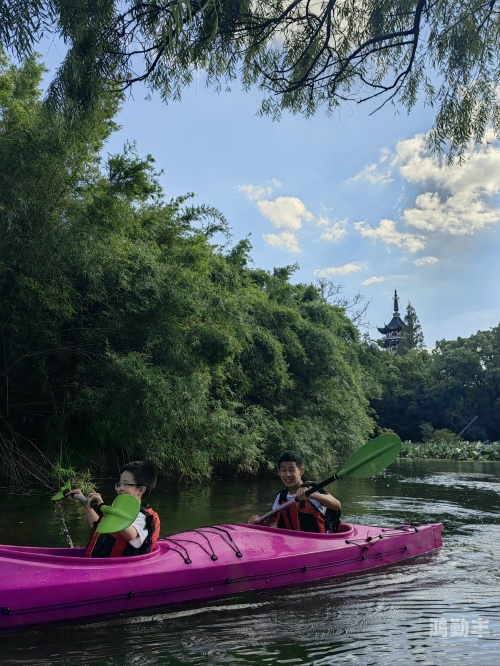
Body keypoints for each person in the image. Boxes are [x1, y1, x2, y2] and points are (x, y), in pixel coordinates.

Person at [67, 460, 161, 558]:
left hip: (122, 570)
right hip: (98, 566)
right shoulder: (116, 513)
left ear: (141, 490)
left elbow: (130, 535)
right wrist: (85, 504)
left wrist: (104, 508)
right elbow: (99, 529)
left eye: (125, 484)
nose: (119, 488)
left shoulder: (143, 518)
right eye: (119, 484)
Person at [248, 450, 341, 533]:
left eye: (292, 470)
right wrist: (258, 522)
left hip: (316, 543)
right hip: (290, 544)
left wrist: (312, 495)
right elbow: (272, 521)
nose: (287, 474)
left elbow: (337, 505)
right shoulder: (281, 496)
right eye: (283, 470)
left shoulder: (312, 489)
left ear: (301, 471)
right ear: (279, 472)